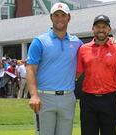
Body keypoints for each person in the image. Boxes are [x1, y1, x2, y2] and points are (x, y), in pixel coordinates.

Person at [26, 2, 83, 135]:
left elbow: (91, 52)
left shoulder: (77, 42)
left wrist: (110, 41)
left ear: (69, 18)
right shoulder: (39, 41)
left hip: (68, 97)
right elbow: (30, 69)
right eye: (56, 15)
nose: (59, 19)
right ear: (51, 18)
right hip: (44, 97)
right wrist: (34, 95)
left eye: (63, 15)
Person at [76, 15, 116, 135]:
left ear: (109, 29)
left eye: (104, 27)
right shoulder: (83, 49)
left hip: (109, 100)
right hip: (88, 101)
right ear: (93, 29)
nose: (101, 30)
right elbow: (77, 74)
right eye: (98, 27)